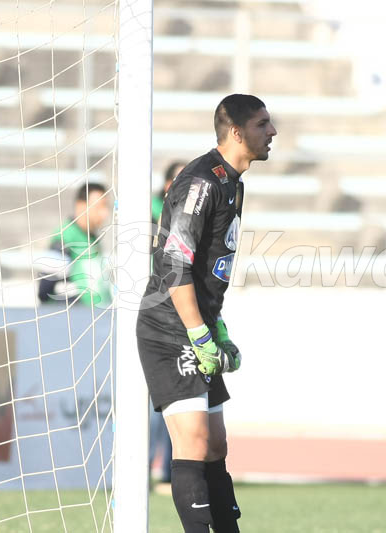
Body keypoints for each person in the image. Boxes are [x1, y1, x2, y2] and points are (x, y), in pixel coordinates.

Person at [136, 94, 276, 533]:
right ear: (236, 132)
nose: (271, 133)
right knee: (193, 441)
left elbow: (206, 271)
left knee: (216, 445)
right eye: (262, 124)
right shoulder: (200, 182)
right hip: (168, 326)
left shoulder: (233, 181)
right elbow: (174, 267)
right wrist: (198, 333)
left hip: (197, 322)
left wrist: (216, 326)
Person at [149, 160, 187, 486]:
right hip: (155, 316)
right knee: (153, 401)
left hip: (181, 317)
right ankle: (146, 468)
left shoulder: (190, 217)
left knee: (175, 397)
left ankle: (165, 471)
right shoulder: (151, 216)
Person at [37, 182, 112, 306]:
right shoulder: (65, 238)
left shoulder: (92, 238)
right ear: (81, 206)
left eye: (106, 207)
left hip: (98, 317)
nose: (105, 214)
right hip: (78, 320)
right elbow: (45, 290)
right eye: (99, 207)